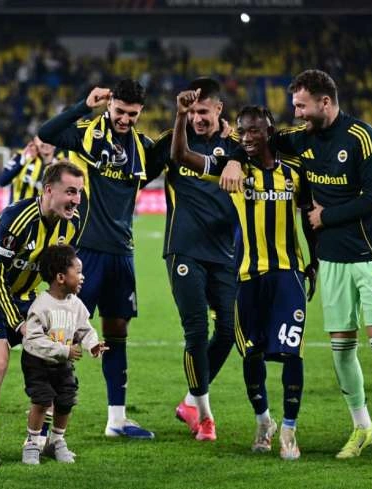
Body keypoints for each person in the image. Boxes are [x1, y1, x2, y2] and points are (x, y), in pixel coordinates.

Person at [221, 69, 372, 464]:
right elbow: (255, 139)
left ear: (324, 102)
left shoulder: (363, 138)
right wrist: (231, 160)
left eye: (301, 105)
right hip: (331, 261)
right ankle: (362, 426)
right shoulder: (302, 138)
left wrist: (324, 217)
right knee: (341, 349)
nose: (296, 112)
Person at [173, 96, 319, 459]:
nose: (248, 137)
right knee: (251, 354)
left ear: (270, 131)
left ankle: (289, 430)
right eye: (242, 131)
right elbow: (182, 157)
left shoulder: (295, 170)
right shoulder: (232, 168)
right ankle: (263, 422)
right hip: (247, 276)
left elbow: (307, 217)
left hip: (288, 274)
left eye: (255, 130)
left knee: (292, 353)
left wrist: (314, 262)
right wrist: (180, 116)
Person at [39, 79, 159, 439]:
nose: (125, 119)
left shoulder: (143, 148)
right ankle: (43, 424)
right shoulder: (85, 133)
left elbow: (171, 157)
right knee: (64, 334)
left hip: (122, 252)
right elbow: (47, 132)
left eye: (132, 114)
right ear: (110, 105)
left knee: (117, 330)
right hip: (84, 252)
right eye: (120, 111)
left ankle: (116, 420)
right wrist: (83, 105)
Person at [0, 161, 84, 467]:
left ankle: (41, 439)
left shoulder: (72, 225)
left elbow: (60, 274)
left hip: (29, 296)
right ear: (49, 190)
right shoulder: (17, 219)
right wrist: (18, 323)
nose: (76, 200)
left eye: (79, 193)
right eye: (70, 192)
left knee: (54, 358)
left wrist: (64, 312)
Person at [146, 78, 240, 441]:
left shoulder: (235, 144)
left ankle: (190, 401)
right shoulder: (175, 139)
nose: (198, 118)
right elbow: (135, 175)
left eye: (204, 111)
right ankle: (204, 415)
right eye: (193, 112)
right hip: (183, 248)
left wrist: (236, 154)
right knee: (197, 331)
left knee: (230, 330)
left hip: (225, 253)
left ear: (219, 109)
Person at [21, 244, 107, 465]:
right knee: (42, 401)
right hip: (37, 362)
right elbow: (33, 339)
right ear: (60, 277)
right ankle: (32, 443)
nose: (82, 277)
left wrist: (92, 345)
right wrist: (64, 350)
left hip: (62, 363)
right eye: (77, 272)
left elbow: (85, 329)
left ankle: (56, 441)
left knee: (66, 400)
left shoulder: (75, 304)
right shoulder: (41, 306)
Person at [0, 136, 57, 203]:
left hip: (37, 208)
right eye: (43, 141)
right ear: (36, 141)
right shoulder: (22, 156)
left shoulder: (58, 165)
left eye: (50, 142)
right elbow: (2, 181)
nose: (46, 144)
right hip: (16, 208)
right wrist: (21, 164)